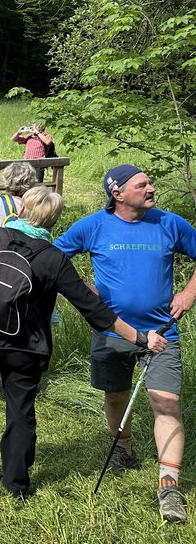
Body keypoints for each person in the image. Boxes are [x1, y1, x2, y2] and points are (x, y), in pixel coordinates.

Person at [0, 185, 165, 500]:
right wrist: (141, 337)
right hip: (25, 346)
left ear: (21, 210)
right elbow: (94, 310)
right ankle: (16, 484)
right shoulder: (53, 258)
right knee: (21, 412)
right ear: (53, 222)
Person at [55, 164, 196, 522]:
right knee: (115, 395)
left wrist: (189, 292)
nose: (151, 188)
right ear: (117, 193)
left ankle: (169, 485)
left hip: (163, 333)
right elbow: (54, 259)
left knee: (166, 403)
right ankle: (124, 448)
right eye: (142, 184)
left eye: (150, 182)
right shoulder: (93, 226)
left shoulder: (170, 223)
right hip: (112, 333)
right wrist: (85, 293)